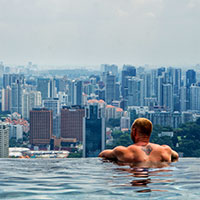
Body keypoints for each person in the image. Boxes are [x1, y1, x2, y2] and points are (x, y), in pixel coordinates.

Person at [99, 118, 178, 165]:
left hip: (136, 175)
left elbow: (102, 155)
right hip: (160, 183)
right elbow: (176, 156)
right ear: (149, 132)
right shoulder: (165, 150)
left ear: (134, 131)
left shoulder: (123, 151)